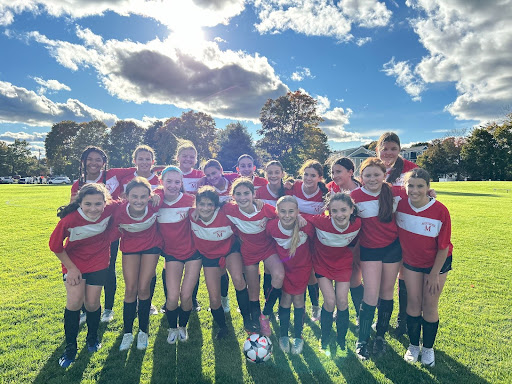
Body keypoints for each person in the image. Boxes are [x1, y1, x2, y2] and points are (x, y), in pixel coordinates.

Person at [49, 184, 117, 367]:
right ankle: (70, 347)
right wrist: (71, 269)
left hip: (99, 262)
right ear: (80, 203)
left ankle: (92, 338)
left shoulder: (110, 208)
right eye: (88, 204)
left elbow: (133, 200)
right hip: (74, 264)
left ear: (105, 203)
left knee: (92, 303)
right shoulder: (69, 220)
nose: (93, 209)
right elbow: (55, 246)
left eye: (98, 204)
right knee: (74, 302)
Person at [70, 146, 135, 324]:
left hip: (109, 233)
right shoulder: (78, 184)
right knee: (85, 269)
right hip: (86, 235)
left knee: (108, 268)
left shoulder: (113, 174)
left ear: (104, 163)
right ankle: (84, 309)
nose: (94, 163)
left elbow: (139, 168)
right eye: (90, 159)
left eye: (98, 159)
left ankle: (108, 309)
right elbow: (73, 210)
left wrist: (125, 192)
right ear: (83, 162)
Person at [396, 168, 452, 367]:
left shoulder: (440, 210)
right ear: (405, 186)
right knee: (413, 302)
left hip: (437, 263)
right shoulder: (400, 205)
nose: (415, 190)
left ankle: (428, 348)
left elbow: (443, 247)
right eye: (411, 185)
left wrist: (434, 274)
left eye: (420, 186)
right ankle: (413, 345)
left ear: (429, 188)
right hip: (412, 262)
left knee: (429, 304)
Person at [350, 157, 404, 360]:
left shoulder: (395, 193)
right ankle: (362, 340)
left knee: (386, 292)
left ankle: (380, 336)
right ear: (361, 177)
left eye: (376, 174)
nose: (372, 179)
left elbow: (419, 196)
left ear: (384, 175)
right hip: (369, 250)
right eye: (367, 175)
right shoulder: (355, 196)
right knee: (370, 294)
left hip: (392, 249)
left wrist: (431, 194)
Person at [189, 186, 254, 338]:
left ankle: (247, 320)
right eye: (202, 204)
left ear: (216, 205)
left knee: (238, 279)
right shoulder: (191, 215)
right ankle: (223, 327)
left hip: (230, 250)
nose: (205, 208)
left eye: (210, 204)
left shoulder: (225, 214)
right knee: (214, 297)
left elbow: (242, 206)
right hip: (209, 256)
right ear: (196, 204)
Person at [223, 178, 284, 337]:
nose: (242, 197)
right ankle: (256, 321)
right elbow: (212, 206)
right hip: (249, 252)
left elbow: (282, 216)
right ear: (233, 196)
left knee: (279, 275)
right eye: (238, 194)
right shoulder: (230, 209)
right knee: (253, 291)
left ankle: (266, 314)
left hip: (268, 249)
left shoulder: (265, 209)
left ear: (253, 194)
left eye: (246, 193)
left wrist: (298, 217)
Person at [304, 193, 361, 353]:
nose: (339, 214)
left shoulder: (357, 223)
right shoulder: (320, 221)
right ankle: (325, 338)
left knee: (342, 301)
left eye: (343, 210)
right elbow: (298, 214)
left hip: (343, 265)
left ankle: (341, 339)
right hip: (322, 265)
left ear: (351, 209)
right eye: (334, 211)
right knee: (330, 301)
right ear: (328, 211)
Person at [376, 132, 419, 336]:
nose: (389, 153)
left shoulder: (411, 169)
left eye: (393, 148)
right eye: (385, 148)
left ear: (399, 150)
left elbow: (421, 190)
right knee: (381, 278)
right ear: (378, 149)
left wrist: (430, 193)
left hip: (407, 227)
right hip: (381, 230)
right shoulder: (374, 168)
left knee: (404, 275)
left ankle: (403, 320)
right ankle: (380, 318)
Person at [112, 177, 162, 351]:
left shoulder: (155, 204)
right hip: (130, 247)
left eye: (143, 196)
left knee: (143, 288)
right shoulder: (119, 210)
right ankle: (127, 333)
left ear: (149, 196)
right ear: (126, 196)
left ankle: (143, 331)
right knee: (131, 288)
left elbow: (167, 190)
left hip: (151, 246)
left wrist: (157, 194)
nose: (139, 200)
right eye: (134, 196)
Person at [155, 167, 201, 344]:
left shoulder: (191, 200)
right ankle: (172, 327)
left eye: (177, 182)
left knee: (186, 296)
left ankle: (183, 326)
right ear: (162, 182)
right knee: (172, 297)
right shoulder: (156, 201)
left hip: (193, 254)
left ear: (181, 183)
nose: (173, 185)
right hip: (172, 255)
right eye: (169, 181)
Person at [266, 196, 313, 354]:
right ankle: (283, 335)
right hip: (285, 267)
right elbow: (265, 242)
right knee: (285, 299)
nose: (287, 215)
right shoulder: (272, 226)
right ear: (277, 212)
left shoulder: (305, 225)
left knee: (299, 299)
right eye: (283, 211)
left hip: (302, 268)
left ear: (298, 212)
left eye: (291, 211)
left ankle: (298, 336)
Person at [119, 145, 161, 317]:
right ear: (134, 161)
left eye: (147, 159)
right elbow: (121, 198)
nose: (144, 162)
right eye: (140, 159)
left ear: (153, 161)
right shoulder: (127, 178)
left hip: (153, 230)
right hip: (132, 232)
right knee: (132, 277)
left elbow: (167, 192)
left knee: (149, 272)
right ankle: (134, 301)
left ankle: (147, 302)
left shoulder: (159, 179)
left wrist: (158, 194)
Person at [288, 159, 329, 322]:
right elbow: (285, 206)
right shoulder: (294, 187)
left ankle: (315, 307)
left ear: (320, 177)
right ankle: (299, 308)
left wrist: (307, 219)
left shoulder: (325, 192)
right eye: (306, 174)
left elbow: (327, 216)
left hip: (313, 237)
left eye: (313, 175)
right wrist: (297, 216)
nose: (308, 178)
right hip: (295, 236)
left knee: (311, 273)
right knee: (295, 269)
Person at [327, 157, 364, 325]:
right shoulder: (331, 189)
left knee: (354, 279)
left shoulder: (361, 191)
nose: (334, 175)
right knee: (338, 276)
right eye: (332, 172)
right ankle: (339, 309)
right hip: (336, 242)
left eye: (338, 171)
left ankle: (360, 314)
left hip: (357, 241)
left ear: (351, 172)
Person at [174, 141, 204, 312]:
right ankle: (170, 297)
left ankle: (192, 299)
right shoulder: (171, 173)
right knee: (172, 262)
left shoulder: (200, 175)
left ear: (195, 160)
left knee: (195, 259)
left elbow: (223, 176)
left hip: (195, 223)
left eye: (191, 157)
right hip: (175, 224)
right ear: (177, 157)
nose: (188, 159)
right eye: (184, 155)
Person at [255, 160, 287, 302]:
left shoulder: (288, 190)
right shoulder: (259, 192)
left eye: (276, 172)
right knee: (269, 270)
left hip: (285, 237)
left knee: (284, 271)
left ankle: (282, 305)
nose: (273, 175)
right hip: (265, 238)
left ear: (282, 173)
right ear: (265, 174)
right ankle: (269, 306)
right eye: (270, 172)